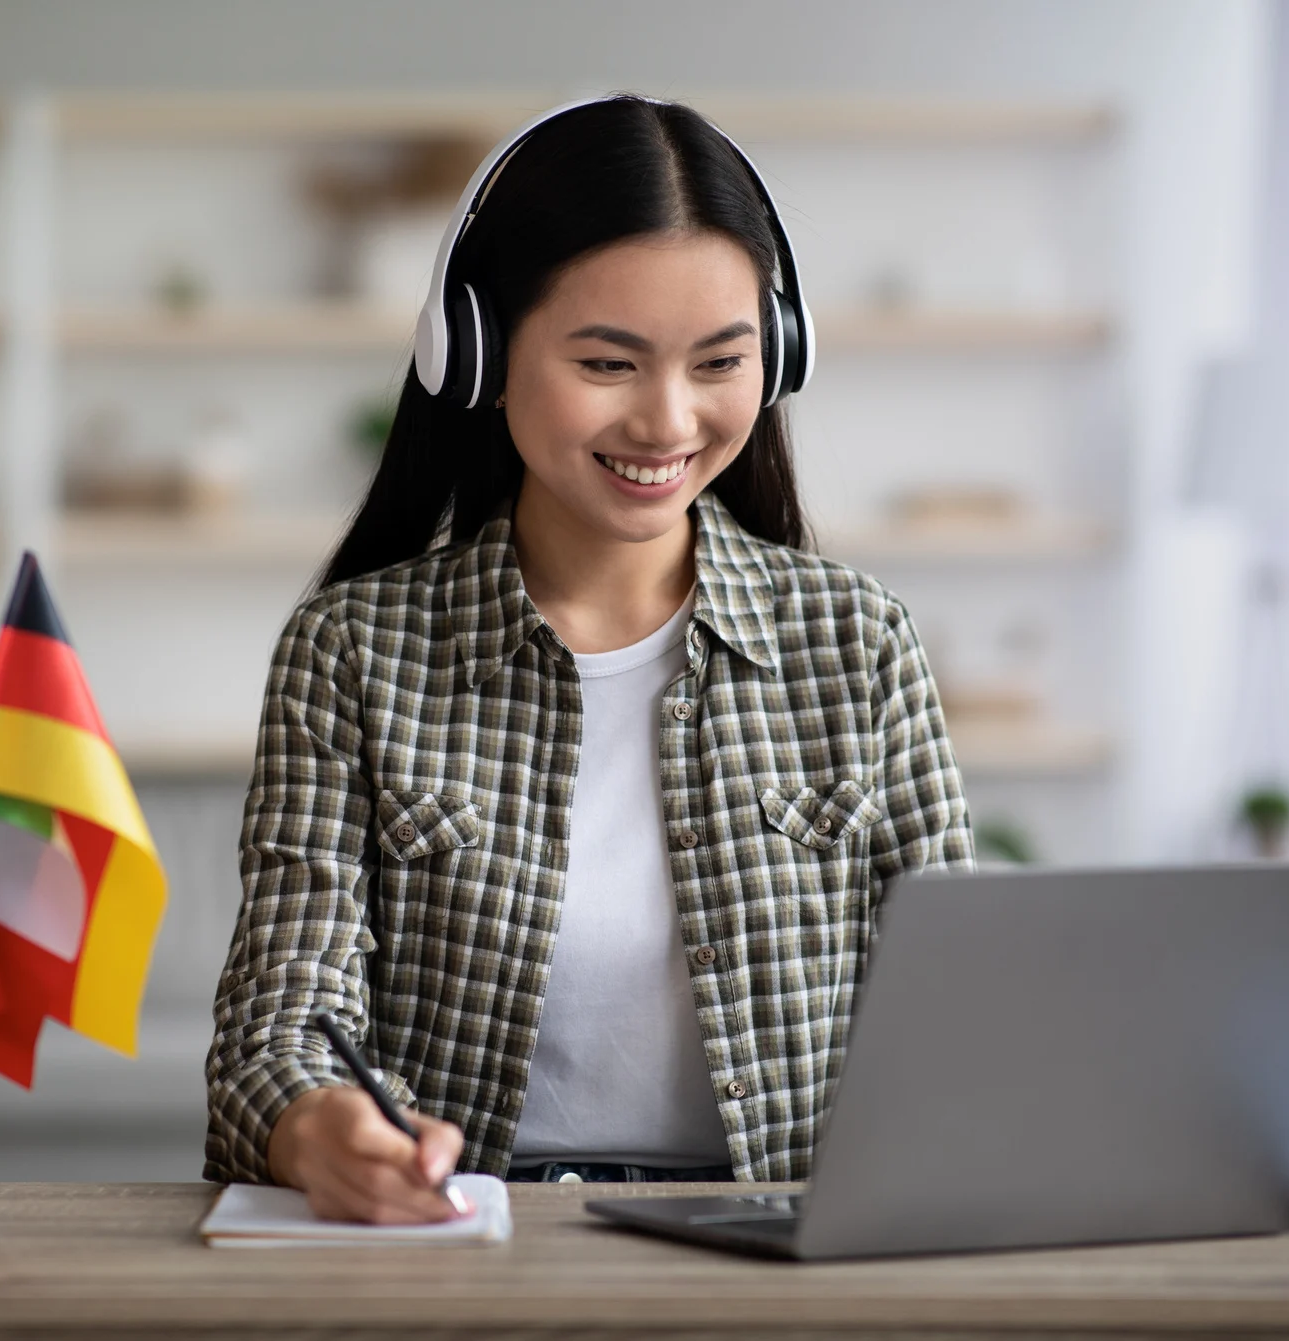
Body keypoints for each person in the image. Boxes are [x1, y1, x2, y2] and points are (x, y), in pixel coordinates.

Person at [204, 95, 973, 1224]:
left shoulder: (857, 645)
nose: (667, 421)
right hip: (465, 1241)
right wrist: (319, 1124)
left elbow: (956, 1012)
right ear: (477, 354)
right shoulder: (350, 654)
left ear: (780, 355)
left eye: (719, 361)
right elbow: (279, 1021)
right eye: (608, 363)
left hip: (779, 1255)